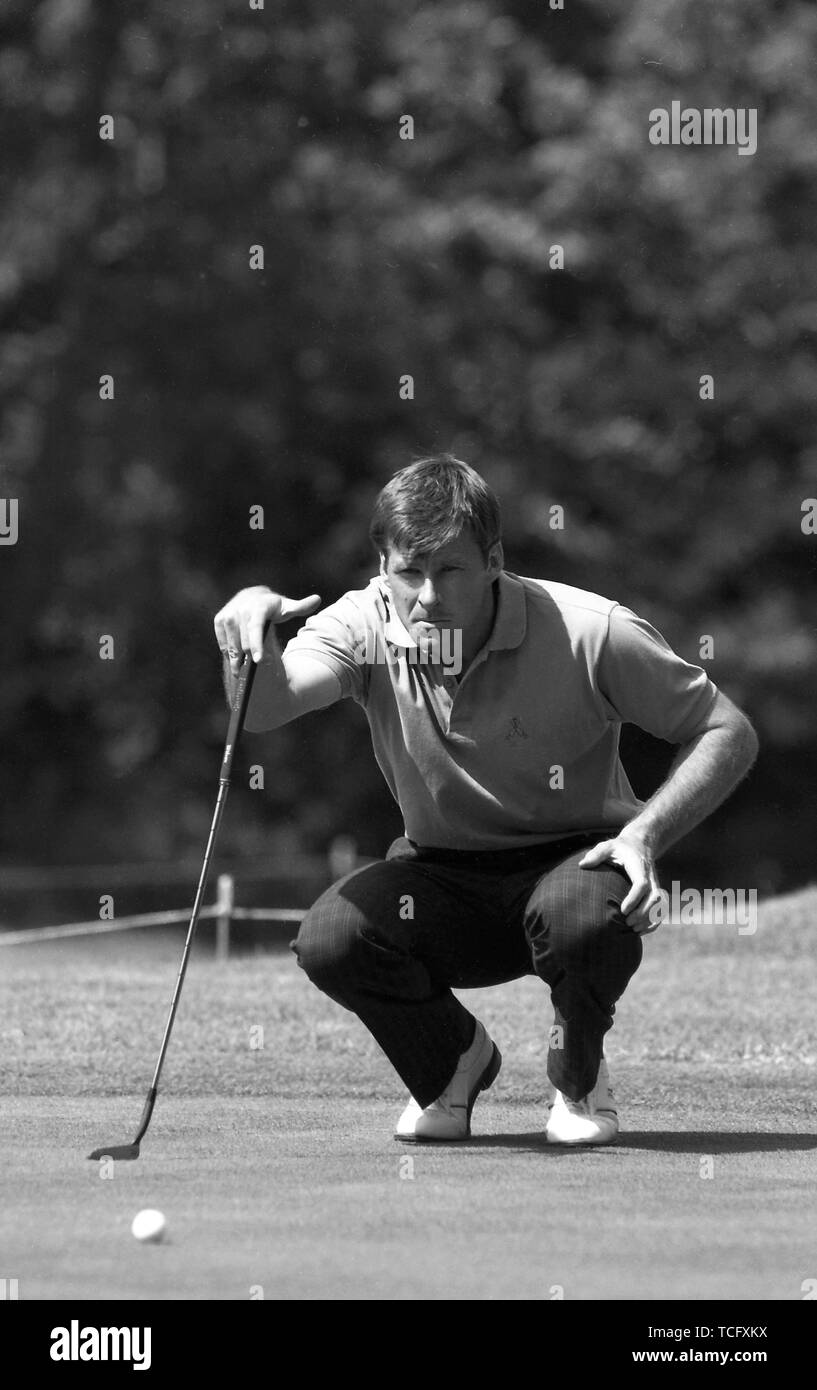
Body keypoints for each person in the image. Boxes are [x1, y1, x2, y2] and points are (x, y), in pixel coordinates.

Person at [214, 456, 758, 1145]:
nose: (427, 596)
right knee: (333, 940)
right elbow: (267, 708)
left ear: (493, 561)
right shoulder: (364, 625)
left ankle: (577, 1079)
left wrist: (644, 835)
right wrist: (249, 639)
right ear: (382, 569)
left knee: (580, 922)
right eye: (407, 572)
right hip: (440, 877)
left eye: (450, 571)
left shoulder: (590, 630)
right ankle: (452, 1065)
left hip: (575, 864)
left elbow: (725, 730)